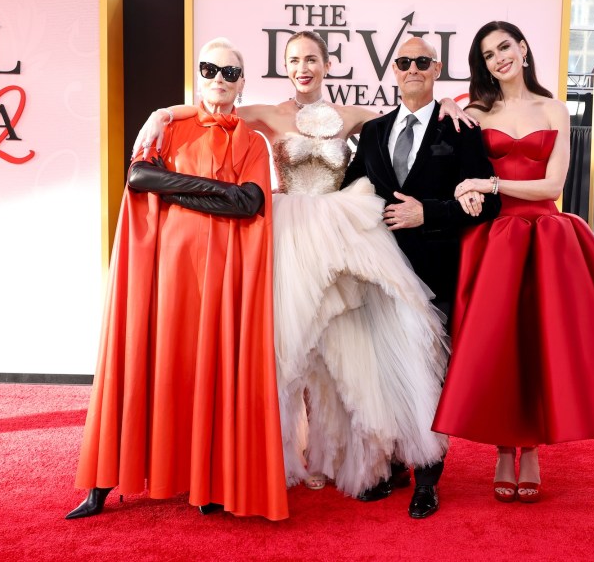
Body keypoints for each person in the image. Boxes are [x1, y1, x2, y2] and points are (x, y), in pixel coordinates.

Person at [133, 31, 472, 500]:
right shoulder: (269, 114)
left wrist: (449, 102)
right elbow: (214, 105)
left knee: (348, 347)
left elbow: (408, 114)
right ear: (286, 67)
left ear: (327, 65)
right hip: (289, 233)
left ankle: (355, 455)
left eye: (311, 59)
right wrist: (163, 113)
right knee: (288, 351)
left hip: (339, 232)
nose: (302, 68)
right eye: (294, 60)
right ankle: (287, 455)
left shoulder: (352, 116)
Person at [430, 21, 594, 504]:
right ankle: (504, 449)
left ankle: (530, 450)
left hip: (547, 237)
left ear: (523, 48)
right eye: (488, 55)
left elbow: (553, 186)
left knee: (540, 344)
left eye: (504, 47)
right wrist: (447, 103)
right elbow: (450, 164)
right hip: (494, 242)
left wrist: (491, 183)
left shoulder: (555, 109)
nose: (499, 58)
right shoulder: (475, 113)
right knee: (499, 348)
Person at [67, 37, 288, 521]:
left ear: (243, 83)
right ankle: (105, 480)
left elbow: (250, 203)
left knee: (206, 371)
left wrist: (175, 190)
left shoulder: (253, 142)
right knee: (152, 364)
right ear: (198, 75)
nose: (219, 79)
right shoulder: (168, 126)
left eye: (230, 72)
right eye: (210, 69)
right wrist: (216, 190)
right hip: (165, 276)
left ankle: (206, 480)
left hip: (220, 279)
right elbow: (140, 179)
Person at [342, 36, 501, 518]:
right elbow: (350, 191)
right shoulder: (373, 131)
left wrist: (427, 212)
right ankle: (395, 465)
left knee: (427, 376)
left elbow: (488, 202)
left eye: (422, 61)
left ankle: (428, 479)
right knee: (386, 372)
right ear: (394, 70)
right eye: (404, 61)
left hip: (436, 274)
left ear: (436, 69)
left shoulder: (460, 127)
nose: (412, 68)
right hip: (379, 275)